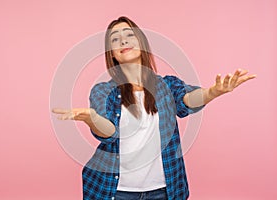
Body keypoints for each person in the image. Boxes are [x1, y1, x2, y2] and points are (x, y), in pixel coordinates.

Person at [52, 16, 256, 200]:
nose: (123, 41)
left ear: (141, 43)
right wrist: (91, 118)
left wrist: (214, 92)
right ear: (112, 54)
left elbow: (187, 100)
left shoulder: (166, 85)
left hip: (164, 190)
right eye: (115, 39)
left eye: (129, 35)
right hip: (116, 191)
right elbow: (109, 132)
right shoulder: (103, 91)